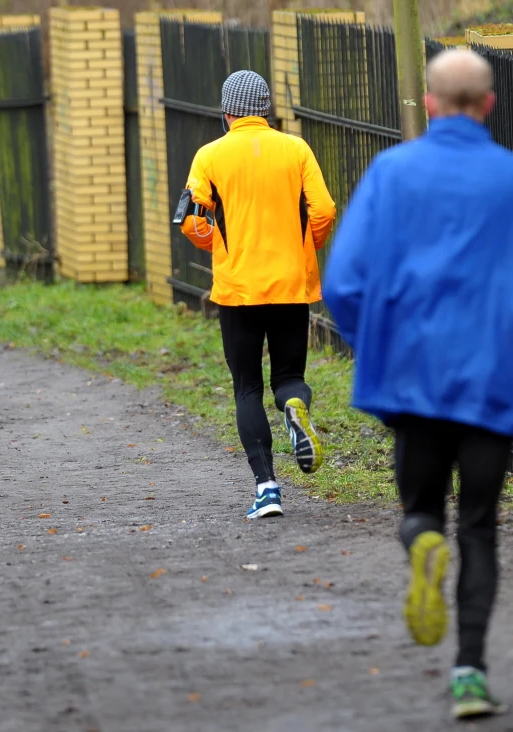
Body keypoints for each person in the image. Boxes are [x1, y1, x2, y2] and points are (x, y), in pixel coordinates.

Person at [322, 49, 513, 720]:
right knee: (478, 525)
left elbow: (344, 281)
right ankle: (470, 672)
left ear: (433, 102)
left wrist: (374, 341)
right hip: (492, 377)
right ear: (491, 104)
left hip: (411, 380)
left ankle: (420, 538)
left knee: (422, 508)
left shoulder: (390, 175)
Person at [176, 70, 337, 520]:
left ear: (226, 113)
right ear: (265, 109)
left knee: (246, 386)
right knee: (288, 376)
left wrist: (217, 241)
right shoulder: (296, 149)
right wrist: (309, 245)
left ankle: (267, 488)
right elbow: (323, 209)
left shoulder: (210, 156)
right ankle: (293, 405)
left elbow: (190, 219)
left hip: (238, 289)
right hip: (290, 284)